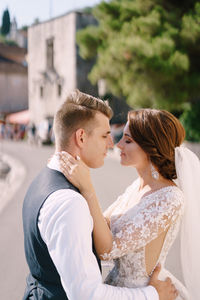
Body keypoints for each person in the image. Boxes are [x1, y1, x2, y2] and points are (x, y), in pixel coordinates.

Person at [22, 90, 178, 300]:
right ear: (81, 137)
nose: (113, 144)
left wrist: (88, 190)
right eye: (106, 135)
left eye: (127, 139)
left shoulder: (44, 179)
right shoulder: (69, 202)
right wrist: (152, 295)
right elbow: (86, 294)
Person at [59, 108, 200, 300]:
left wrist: (87, 188)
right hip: (118, 290)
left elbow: (108, 250)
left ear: (151, 147)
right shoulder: (137, 186)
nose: (118, 145)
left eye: (128, 140)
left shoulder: (170, 198)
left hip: (146, 292)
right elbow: (103, 223)